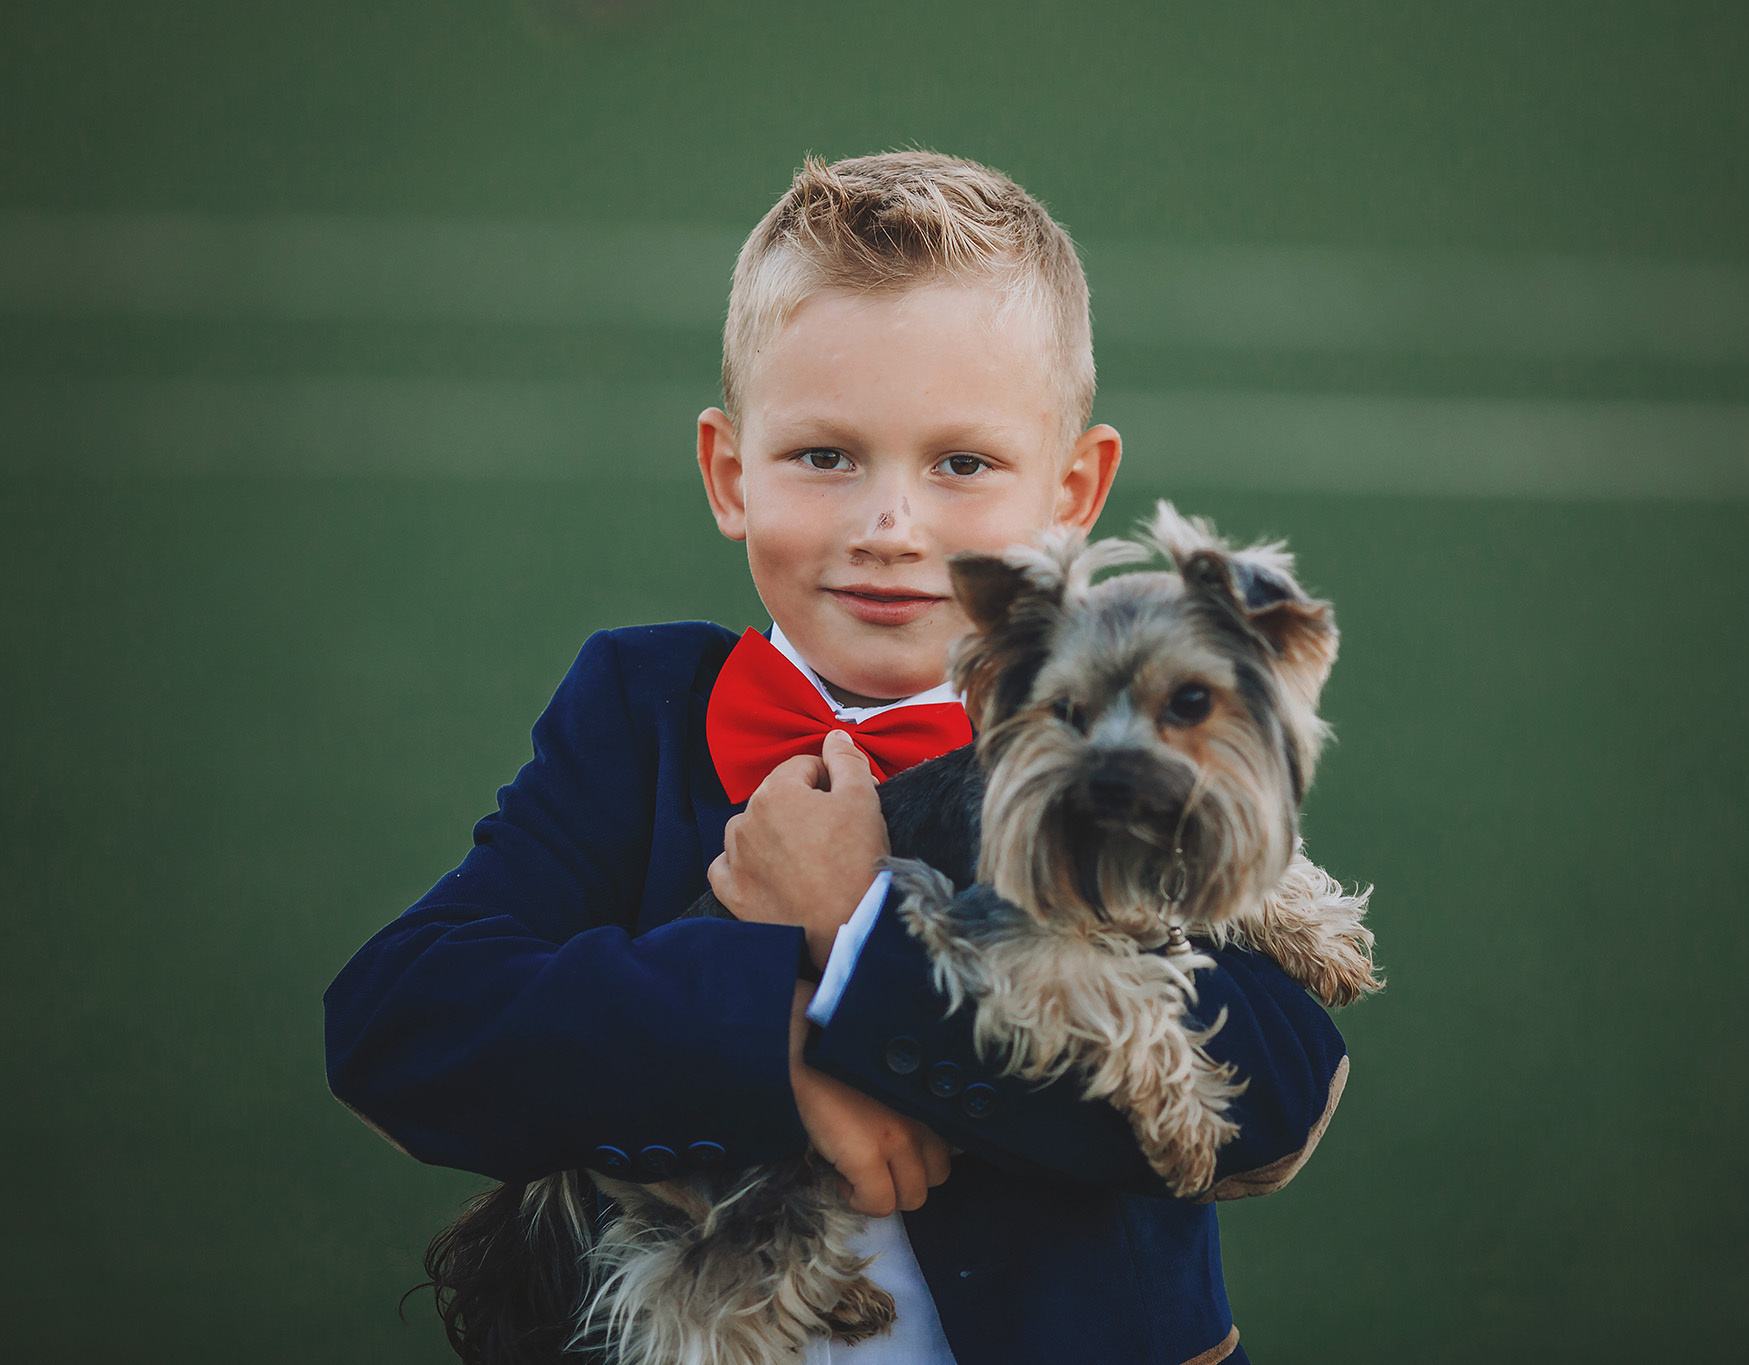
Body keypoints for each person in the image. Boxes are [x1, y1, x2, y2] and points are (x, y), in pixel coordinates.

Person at [324, 151, 1350, 1365]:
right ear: (728, 474)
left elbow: (1267, 1102)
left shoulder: (1133, 746)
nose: (888, 527)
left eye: (961, 464)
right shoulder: (637, 711)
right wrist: (790, 1057)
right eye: (824, 457)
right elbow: (403, 1023)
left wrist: (859, 928)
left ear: (1072, 494)